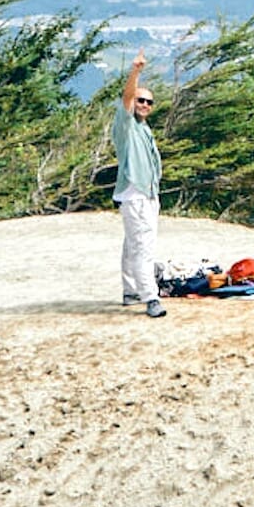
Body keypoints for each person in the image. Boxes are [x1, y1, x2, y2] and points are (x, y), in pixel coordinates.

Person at [114, 50, 166, 318]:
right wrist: (136, 71)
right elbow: (126, 97)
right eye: (140, 100)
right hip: (135, 194)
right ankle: (150, 297)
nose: (144, 104)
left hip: (147, 194)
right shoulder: (125, 125)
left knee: (133, 243)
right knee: (143, 245)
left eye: (149, 102)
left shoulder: (144, 129)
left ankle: (131, 289)